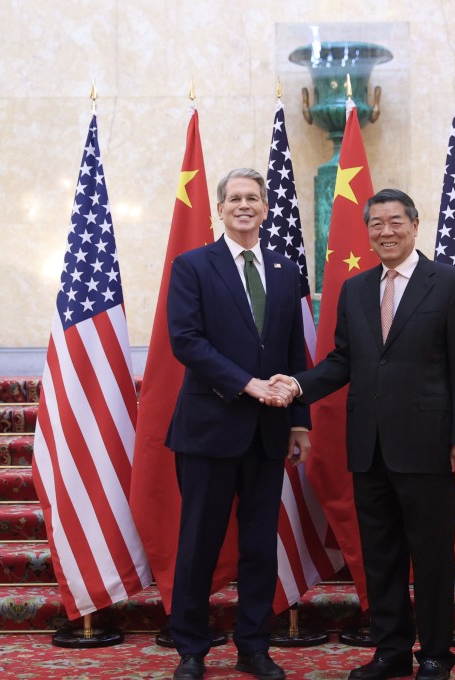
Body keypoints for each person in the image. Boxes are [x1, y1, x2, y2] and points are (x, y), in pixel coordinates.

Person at [268, 189, 455, 680]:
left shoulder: (447, 283)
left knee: (430, 557)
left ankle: (434, 656)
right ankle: (391, 652)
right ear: (368, 232)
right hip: (369, 447)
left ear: (415, 224)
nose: (386, 231)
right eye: (376, 224)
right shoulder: (357, 289)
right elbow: (344, 361)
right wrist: (299, 384)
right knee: (380, 557)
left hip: (428, 446)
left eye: (395, 222)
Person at [165, 168, 311, 680]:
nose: (244, 206)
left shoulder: (286, 268)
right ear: (219, 210)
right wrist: (246, 384)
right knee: (199, 543)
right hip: (209, 428)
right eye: (234, 199)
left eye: (253, 198)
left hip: (269, 433)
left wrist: (300, 421)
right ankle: (191, 649)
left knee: (258, 547)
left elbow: (295, 347)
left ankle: (253, 645)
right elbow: (185, 341)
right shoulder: (192, 266)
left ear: (266, 208)